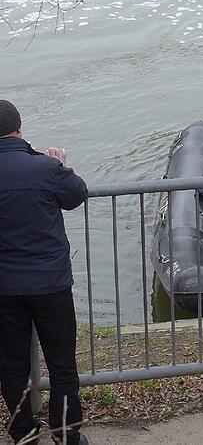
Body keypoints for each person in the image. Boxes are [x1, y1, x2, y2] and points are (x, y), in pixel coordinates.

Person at [0, 100, 89, 445]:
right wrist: (59, 165)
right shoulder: (44, 167)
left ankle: (23, 433)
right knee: (62, 363)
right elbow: (76, 194)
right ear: (19, 129)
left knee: (12, 365)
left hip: (5, 286)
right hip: (50, 283)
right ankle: (66, 435)